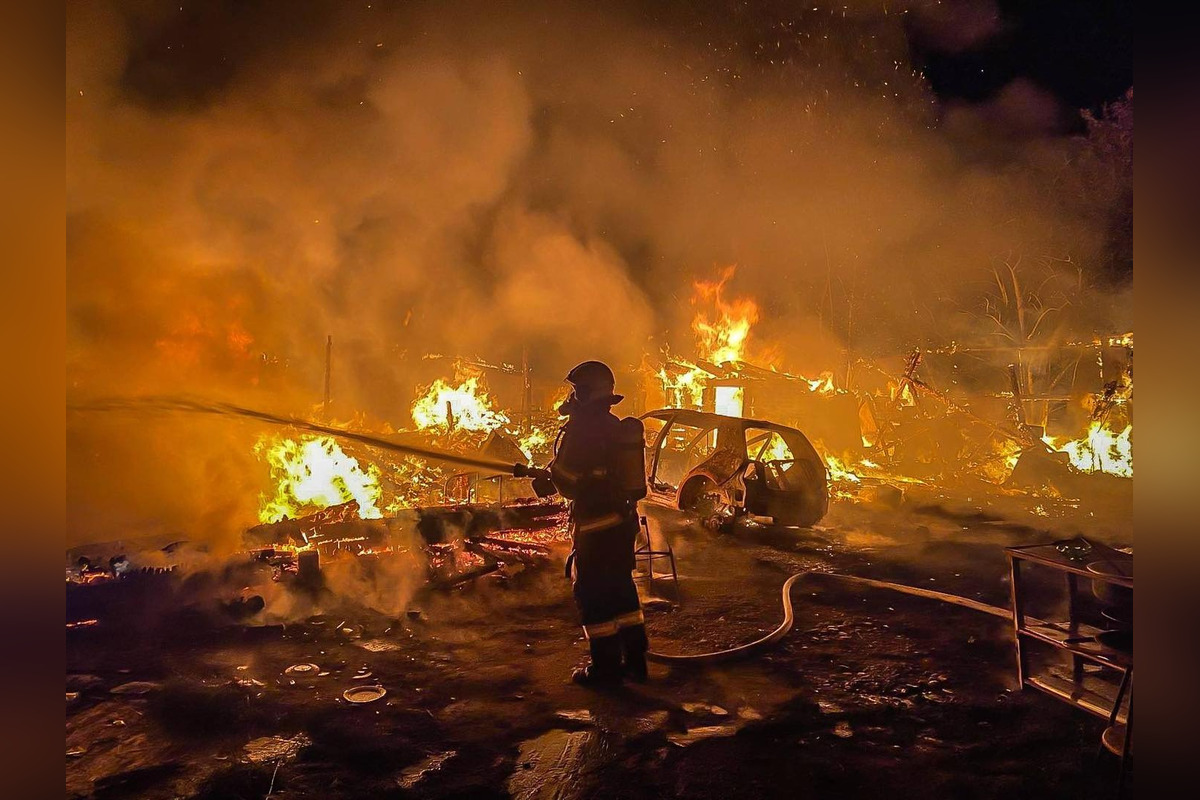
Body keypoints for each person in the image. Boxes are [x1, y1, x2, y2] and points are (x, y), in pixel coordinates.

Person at [525, 360, 649, 686]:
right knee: (622, 592)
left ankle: (605, 670)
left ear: (583, 392)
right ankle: (636, 662)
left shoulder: (580, 431)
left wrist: (547, 476)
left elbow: (568, 482)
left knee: (593, 595)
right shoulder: (612, 425)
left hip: (595, 527)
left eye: (575, 389)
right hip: (622, 524)